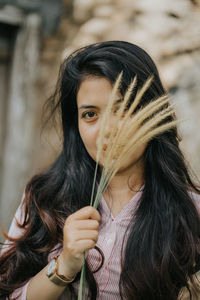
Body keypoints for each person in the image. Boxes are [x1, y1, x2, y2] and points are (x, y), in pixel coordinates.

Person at [0, 41, 200, 300]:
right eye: (90, 114)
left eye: (122, 108)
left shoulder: (189, 209)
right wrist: (65, 265)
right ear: (76, 125)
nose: (107, 129)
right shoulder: (44, 197)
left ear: (152, 113)